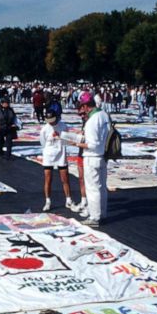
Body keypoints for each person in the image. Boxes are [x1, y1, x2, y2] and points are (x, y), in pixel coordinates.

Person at [71, 91, 109, 227]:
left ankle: (94, 217)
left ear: (87, 106)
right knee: (101, 187)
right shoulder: (104, 115)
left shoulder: (91, 121)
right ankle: (102, 213)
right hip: (103, 156)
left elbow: (92, 144)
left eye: (83, 107)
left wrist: (75, 143)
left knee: (92, 189)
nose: (83, 110)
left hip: (92, 157)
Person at [38, 109, 76, 212]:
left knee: (65, 178)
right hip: (48, 155)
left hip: (61, 154)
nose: (51, 122)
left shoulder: (63, 126)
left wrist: (60, 138)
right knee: (48, 178)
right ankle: (48, 201)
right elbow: (43, 143)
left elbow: (68, 140)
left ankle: (68, 199)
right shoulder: (44, 129)